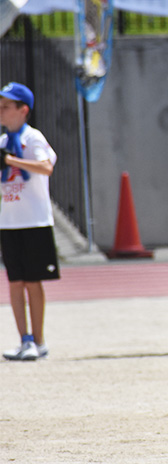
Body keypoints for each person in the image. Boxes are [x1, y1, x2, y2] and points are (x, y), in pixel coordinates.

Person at [0, 83, 59, 361]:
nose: (1, 111)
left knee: (33, 282)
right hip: (9, 221)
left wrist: (12, 160)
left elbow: (46, 166)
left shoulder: (32, 138)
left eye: (6, 107)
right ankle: (23, 339)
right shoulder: (1, 142)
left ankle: (39, 340)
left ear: (23, 110)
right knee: (14, 282)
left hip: (34, 221)